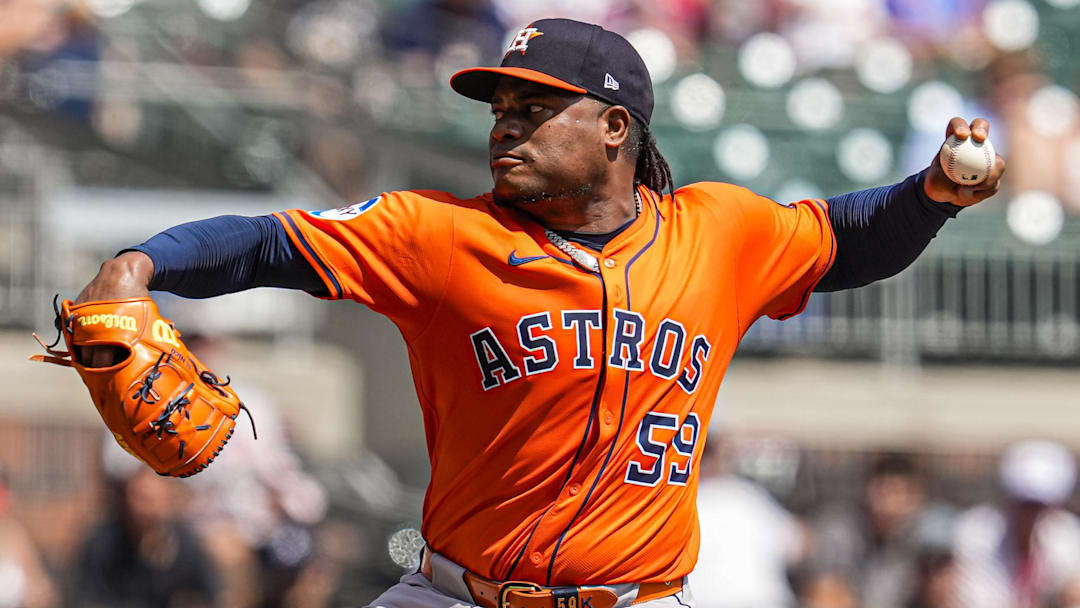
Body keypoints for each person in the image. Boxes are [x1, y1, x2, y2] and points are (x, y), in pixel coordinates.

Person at [69, 17, 1005, 608]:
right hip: (456, 595)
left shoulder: (717, 232)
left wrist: (932, 194)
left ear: (614, 129)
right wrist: (141, 262)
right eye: (498, 107)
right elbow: (268, 241)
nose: (503, 123)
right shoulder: (436, 236)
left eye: (534, 105)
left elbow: (850, 237)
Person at [953, 440, 1080, 608]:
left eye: (1040, 507)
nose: (1032, 515)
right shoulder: (976, 532)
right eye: (1025, 505)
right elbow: (973, 599)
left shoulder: (1066, 534)